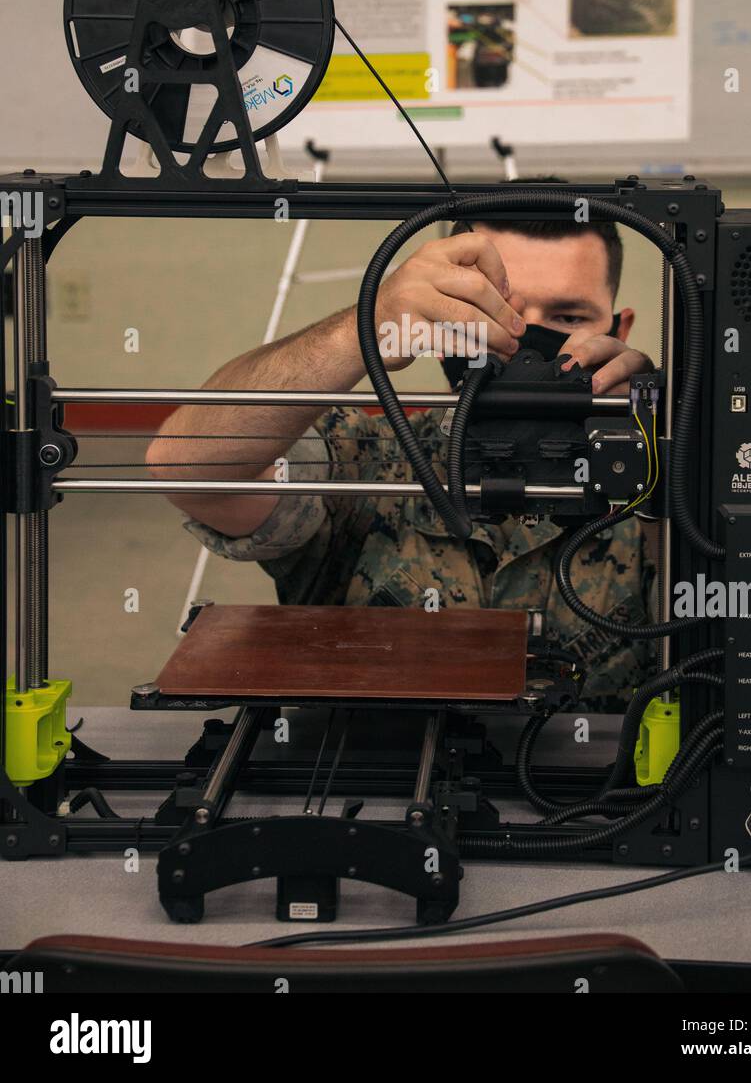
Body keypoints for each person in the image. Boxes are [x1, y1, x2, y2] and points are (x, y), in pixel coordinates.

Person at [146, 193, 658, 711]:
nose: (522, 339)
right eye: (491, 311)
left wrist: (660, 444)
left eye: (568, 316)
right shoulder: (369, 454)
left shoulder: (655, 474)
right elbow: (187, 467)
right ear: (444, 324)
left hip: (601, 785)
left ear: (620, 329)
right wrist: (364, 328)